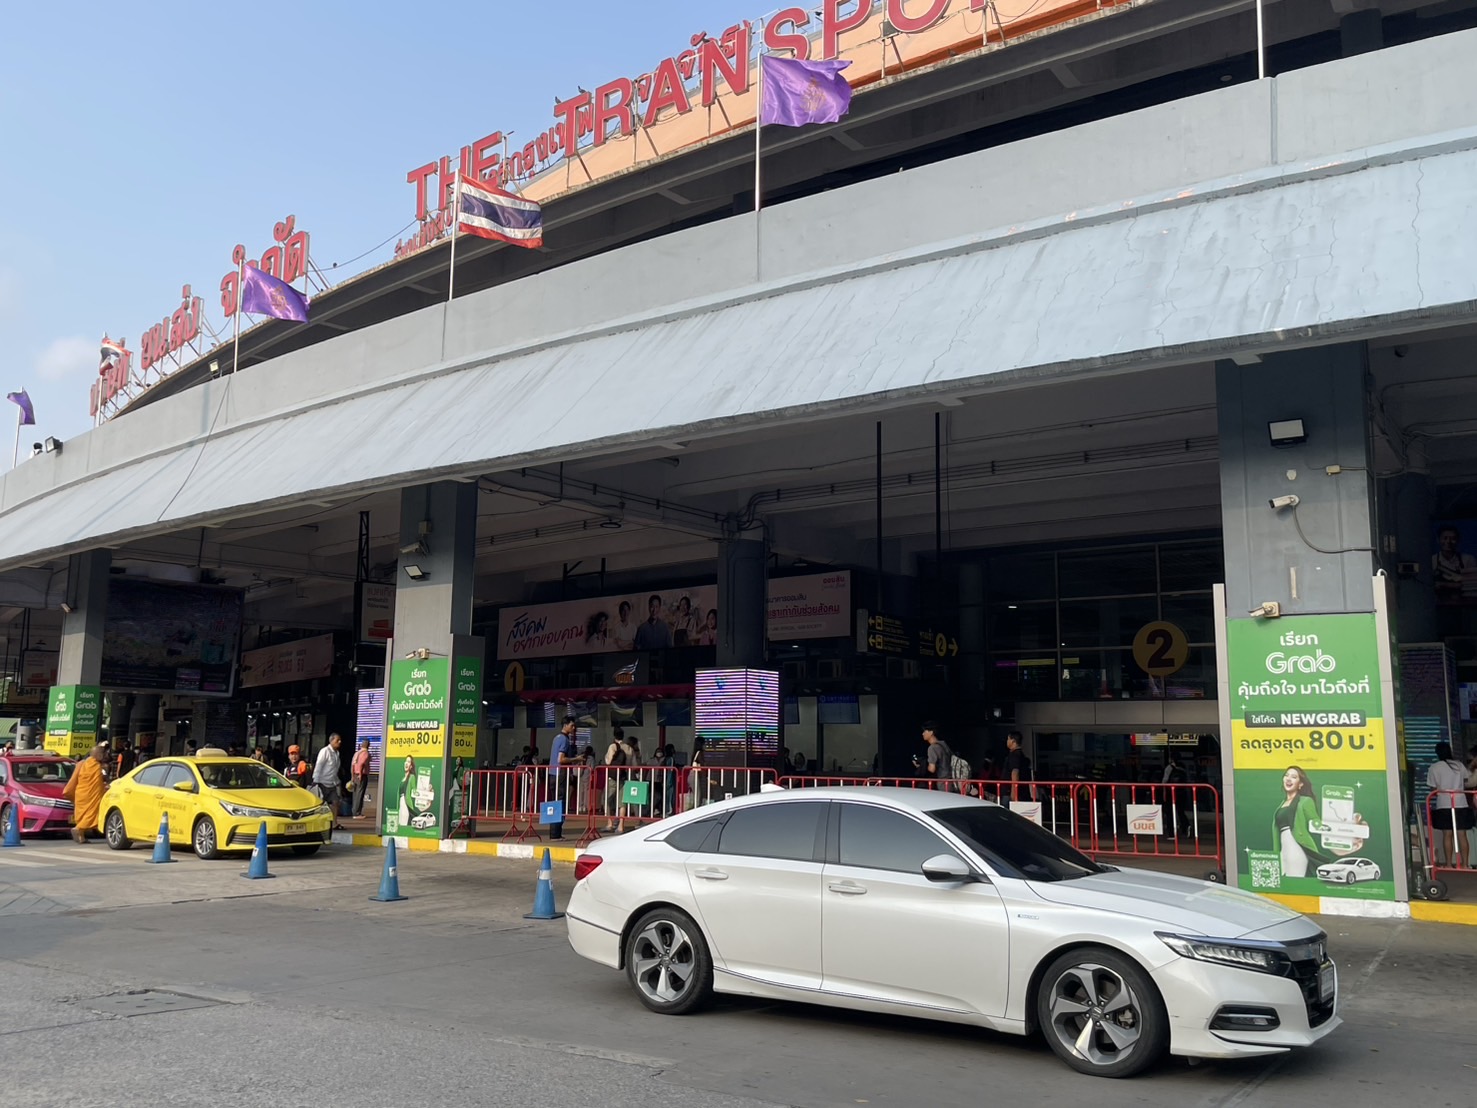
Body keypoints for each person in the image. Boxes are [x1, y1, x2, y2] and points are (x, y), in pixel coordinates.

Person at [1273, 766, 1332, 878]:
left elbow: (1315, 821)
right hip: (1283, 849)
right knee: (1282, 880)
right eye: (1286, 775)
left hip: (1296, 848)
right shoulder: (1281, 805)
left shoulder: (1305, 801)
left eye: (1294, 777)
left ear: (1300, 784)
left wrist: (1331, 826)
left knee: (1294, 880)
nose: (1288, 779)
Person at [1426, 742, 1473, 866]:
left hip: (1444, 803)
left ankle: (1448, 864)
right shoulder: (1459, 765)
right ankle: (1465, 864)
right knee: (1462, 834)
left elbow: (1433, 788)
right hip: (1460, 802)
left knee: (1447, 835)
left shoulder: (1434, 767)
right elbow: (1466, 779)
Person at [62, 743, 110, 843]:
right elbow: (102, 780)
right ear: (99, 755)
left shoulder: (81, 764)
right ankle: (78, 828)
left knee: (82, 815)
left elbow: (74, 779)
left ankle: (81, 837)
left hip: (81, 793)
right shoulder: (97, 766)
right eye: (104, 754)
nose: (105, 756)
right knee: (91, 814)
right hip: (92, 795)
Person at [600, 726, 639, 833]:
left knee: (606, 799)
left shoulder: (612, 746)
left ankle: (610, 824)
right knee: (622, 802)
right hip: (624, 777)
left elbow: (608, 762)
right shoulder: (629, 748)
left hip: (613, 777)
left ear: (614, 736)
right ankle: (621, 826)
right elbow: (635, 766)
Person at [547, 716, 579, 840]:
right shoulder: (564, 740)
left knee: (555, 803)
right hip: (560, 775)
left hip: (552, 774)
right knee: (560, 803)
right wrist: (576, 759)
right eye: (572, 725)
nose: (573, 728)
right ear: (565, 725)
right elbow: (561, 759)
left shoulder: (556, 738)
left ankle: (554, 833)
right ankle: (556, 833)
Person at [1433, 526, 1477, 602]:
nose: (1448, 542)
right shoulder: (1432, 560)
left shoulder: (1468, 559)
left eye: (1453, 538)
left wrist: (1443, 584)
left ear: (1458, 540)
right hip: (1439, 604)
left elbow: (1472, 585)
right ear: (1438, 540)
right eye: (1445, 538)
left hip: (1465, 603)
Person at [314, 734, 346, 829]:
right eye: (337, 740)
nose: (339, 742)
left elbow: (335, 769)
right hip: (322, 782)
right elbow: (319, 765)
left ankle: (334, 823)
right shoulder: (325, 751)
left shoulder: (337, 753)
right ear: (331, 741)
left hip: (332, 783)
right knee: (321, 805)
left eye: (340, 740)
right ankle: (319, 823)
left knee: (335, 802)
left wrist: (337, 781)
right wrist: (316, 780)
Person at [918, 721, 955, 791]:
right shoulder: (944, 745)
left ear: (931, 732)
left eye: (924, 731)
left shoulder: (932, 748)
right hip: (952, 782)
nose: (923, 734)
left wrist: (921, 766)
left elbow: (932, 769)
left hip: (943, 784)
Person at [1003, 731, 1037, 802]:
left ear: (1013, 741)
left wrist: (1013, 794)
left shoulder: (1015, 755)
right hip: (1016, 792)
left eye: (1008, 739)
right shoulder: (1020, 755)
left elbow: (1015, 773)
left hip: (1010, 793)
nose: (1007, 741)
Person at [351, 738, 372, 818]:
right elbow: (362, 763)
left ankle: (354, 811)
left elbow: (352, 765)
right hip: (362, 776)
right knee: (360, 794)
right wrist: (360, 774)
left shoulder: (357, 753)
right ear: (368, 745)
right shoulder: (366, 753)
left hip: (355, 775)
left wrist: (353, 776)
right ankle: (357, 813)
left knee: (355, 794)